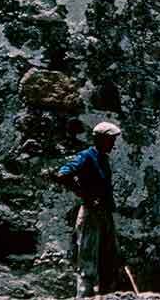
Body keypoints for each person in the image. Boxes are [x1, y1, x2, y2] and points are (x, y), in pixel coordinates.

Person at [55, 121, 121, 298]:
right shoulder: (86, 156)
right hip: (91, 214)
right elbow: (63, 174)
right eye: (111, 140)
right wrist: (85, 195)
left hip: (105, 214)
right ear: (100, 139)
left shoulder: (103, 159)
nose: (113, 144)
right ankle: (83, 296)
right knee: (88, 262)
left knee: (109, 259)